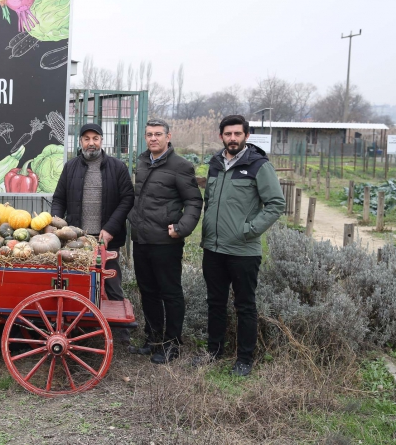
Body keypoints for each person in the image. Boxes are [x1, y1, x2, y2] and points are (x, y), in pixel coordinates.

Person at [198, 114, 285, 376]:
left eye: (237, 133)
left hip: (243, 251)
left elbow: (276, 204)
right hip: (213, 248)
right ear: (221, 136)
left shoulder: (259, 165)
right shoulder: (214, 164)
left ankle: (245, 358)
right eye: (228, 134)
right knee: (215, 302)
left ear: (246, 136)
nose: (232, 138)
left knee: (245, 305)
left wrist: (249, 230)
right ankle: (214, 351)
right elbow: (210, 202)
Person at [128, 118, 202, 364]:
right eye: (149, 134)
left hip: (166, 242)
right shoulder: (142, 162)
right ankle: (153, 339)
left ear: (168, 137)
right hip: (141, 239)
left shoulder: (180, 166)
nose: (153, 138)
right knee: (148, 292)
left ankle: (172, 344)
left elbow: (194, 201)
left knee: (170, 293)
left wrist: (182, 228)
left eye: (158, 134)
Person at [51, 123, 135, 306]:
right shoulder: (70, 167)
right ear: (80, 141)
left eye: (95, 139)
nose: (91, 143)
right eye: (87, 139)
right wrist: (56, 225)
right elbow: (59, 199)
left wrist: (111, 228)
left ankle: (119, 330)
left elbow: (128, 199)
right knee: (78, 282)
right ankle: (83, 323)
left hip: (107, 238)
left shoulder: (117, 167)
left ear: (101, 141)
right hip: (77, 239)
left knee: (112, 281)